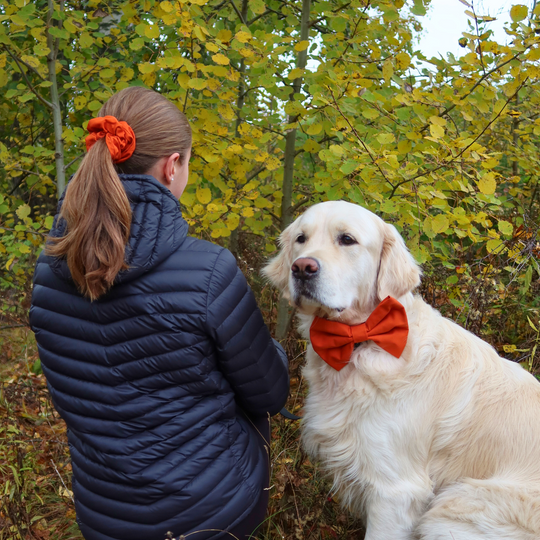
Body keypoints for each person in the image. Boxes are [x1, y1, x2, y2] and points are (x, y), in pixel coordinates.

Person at [29, 86, 290, 540]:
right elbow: (269, 394)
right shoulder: (210, 272)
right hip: (213, 512)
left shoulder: (49, 270)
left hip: (104, 516)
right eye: (187, 163)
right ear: (172, 167)